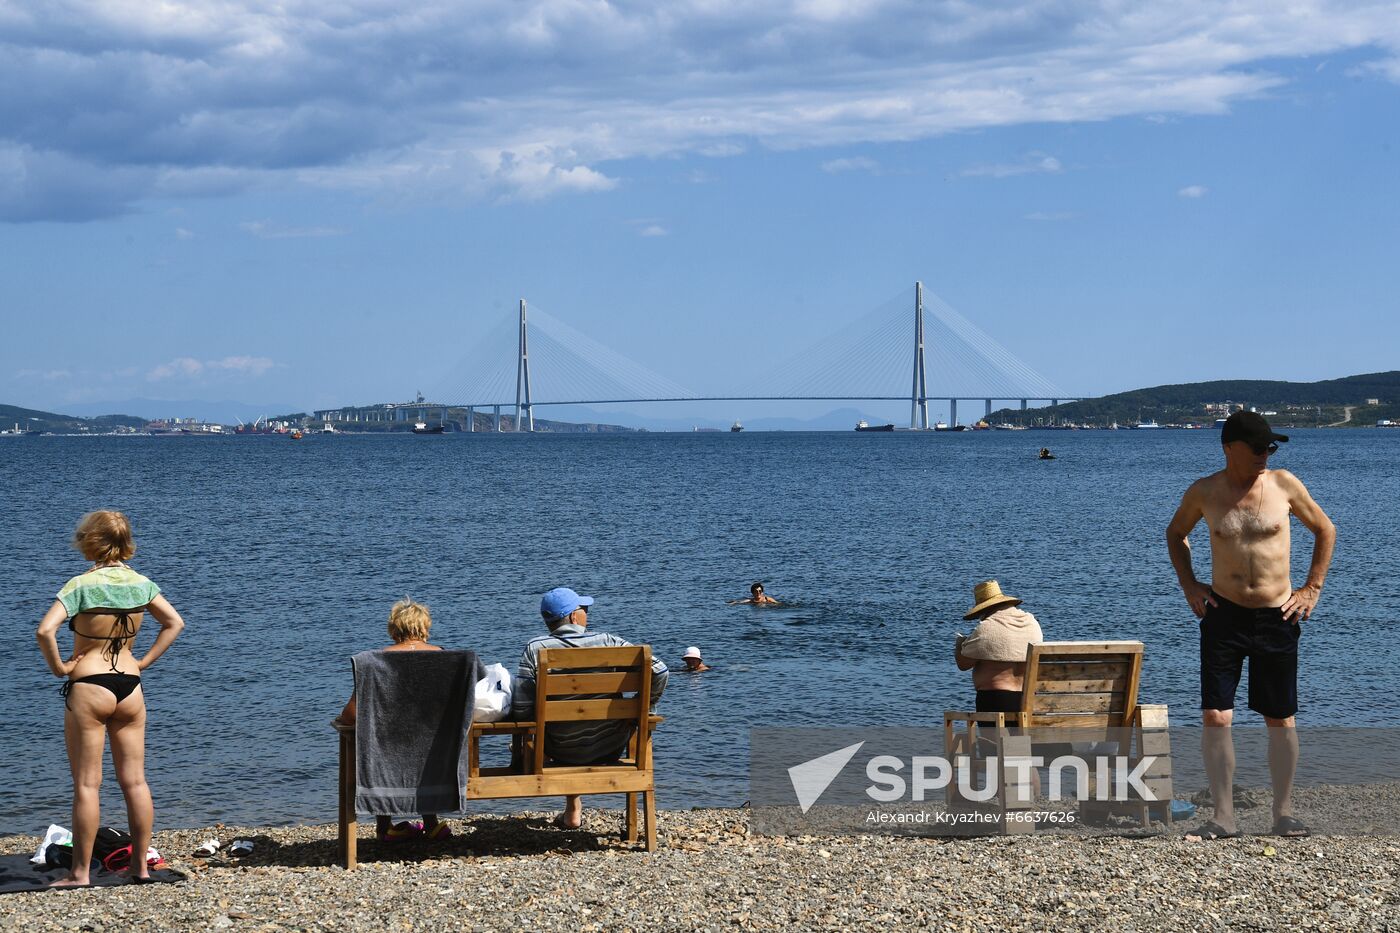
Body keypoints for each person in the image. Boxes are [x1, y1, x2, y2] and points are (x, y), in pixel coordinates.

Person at [1166, 411, 1335, 840]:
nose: (1266, 454)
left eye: (1270, 448)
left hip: (1278, 615)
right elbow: (1175, 534)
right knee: (1216, 715)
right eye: (1258, 447)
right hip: (1224, 615)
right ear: (1229, 448)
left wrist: (1312, 588)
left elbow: (1325, 529)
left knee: (1280, 719)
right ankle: (1223, 817)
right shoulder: (1205, 491)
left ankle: (1284, 813)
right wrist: (1189, 585)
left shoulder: (1283, 485)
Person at [34, 511, 185, 886]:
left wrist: (60, 667)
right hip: (130, 685)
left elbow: (45, 631)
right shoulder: (141, 584)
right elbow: (174, 623)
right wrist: (144, 661)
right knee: (135, 782)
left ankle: (80, 873)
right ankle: (141, 868)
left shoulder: (81, 586)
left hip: (90, 684)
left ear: (90, 541)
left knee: (88, 785)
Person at [513, 587, 668, 830]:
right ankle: (583, 813)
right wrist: (641, 709)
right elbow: (660, 671)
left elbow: (522, 707)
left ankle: (572, 810)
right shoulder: (609, 642)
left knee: (555, 727)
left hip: (558, 748)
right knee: (585, 723)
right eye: (584, 609)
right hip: (610, 745)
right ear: (574, 617)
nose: (587, 613)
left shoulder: (535, 648)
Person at [333, 598, 452, 842]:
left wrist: (341, 719)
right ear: (425, 628)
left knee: (382, 743)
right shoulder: (446, 658)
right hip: (437, 754)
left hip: (386, 759)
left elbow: (351, 715)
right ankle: (432, 824)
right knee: (422, 742)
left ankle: (385, 827)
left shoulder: (375, 662)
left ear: (394, 630)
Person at [954, 580, 1043, 717]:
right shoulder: (1032, 623)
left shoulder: (986, 629)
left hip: (996, 702)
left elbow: (963, 664)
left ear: (983, 609)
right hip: (1030, 703)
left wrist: (959, 643)